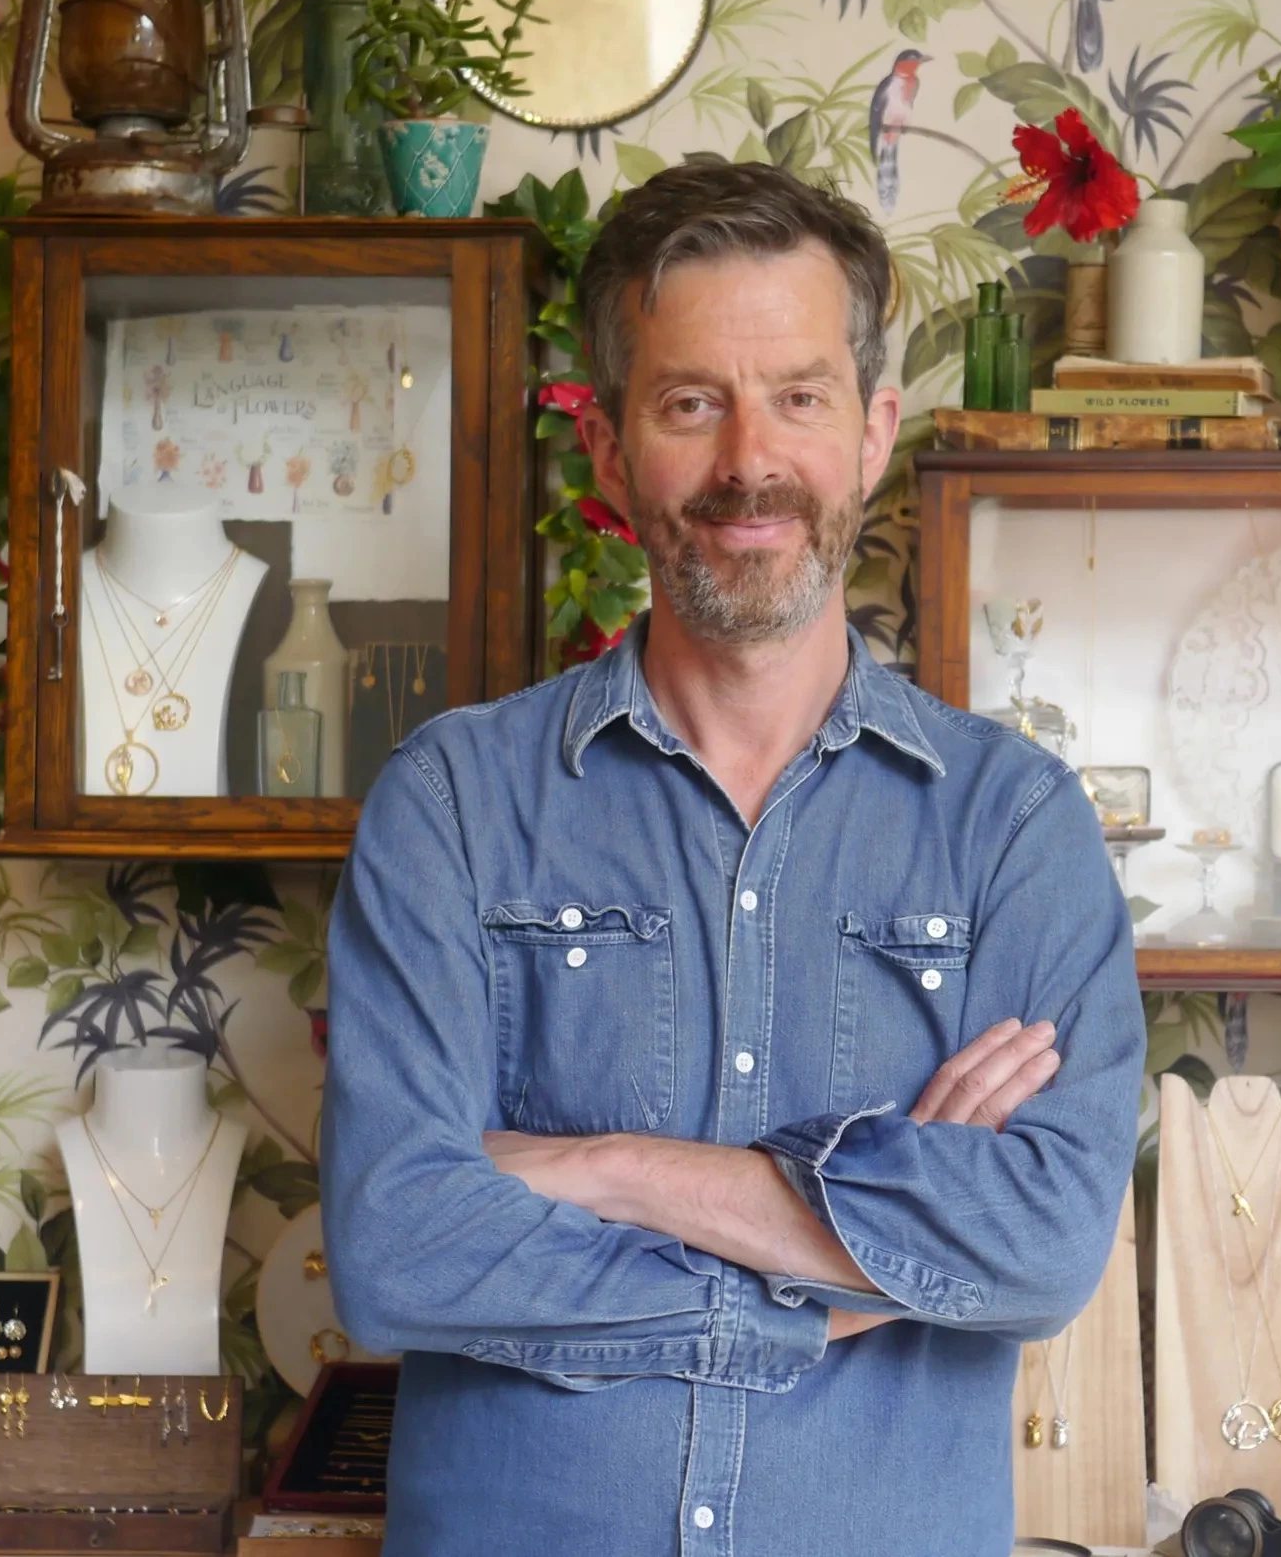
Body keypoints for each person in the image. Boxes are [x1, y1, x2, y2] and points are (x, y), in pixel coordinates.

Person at [321, 159, 1141, 1557]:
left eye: (801, 399)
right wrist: (848, 1270)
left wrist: (609, 1169)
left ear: (875, 431)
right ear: (609, 446)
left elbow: (1043, 1247)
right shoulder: (452, 800)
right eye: (693, 401)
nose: (750, 460)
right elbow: (398, 1250)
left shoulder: (1013, 826)